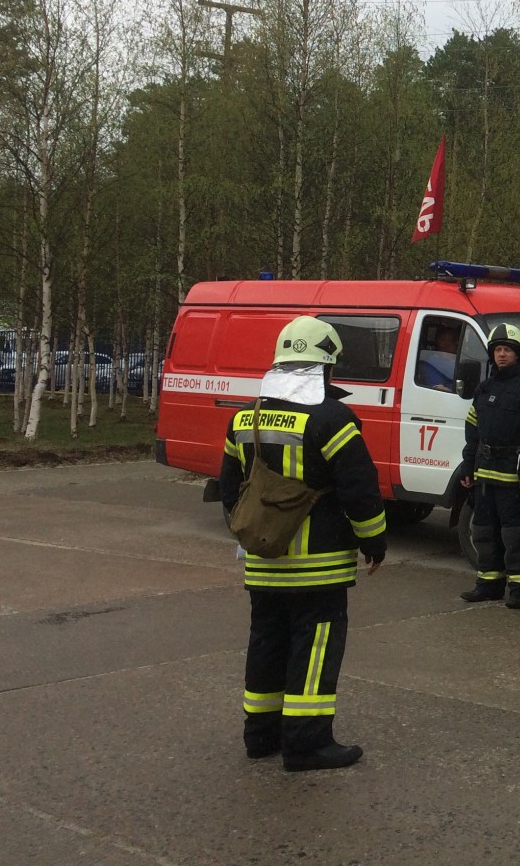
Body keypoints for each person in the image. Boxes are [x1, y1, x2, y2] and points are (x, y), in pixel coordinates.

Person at [219, 316, 387, 771]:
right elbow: (359, 489)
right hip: (320, 564)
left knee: (266, 643)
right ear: (326, 366)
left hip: (262, 558)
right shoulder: (333, 418)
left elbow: (230, 486)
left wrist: (253, 534)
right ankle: (306, 743)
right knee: (313, 649)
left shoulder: (244, 415)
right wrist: (375, 541)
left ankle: (260, 736)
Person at [458, 324, 520, 609]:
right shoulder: (485, 387)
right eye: (497, 350)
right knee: (483, 531)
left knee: (515, 534)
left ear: (518, 354)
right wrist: (467, 466)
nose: (501, 355)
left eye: (506, 350)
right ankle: (488, 583)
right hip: (484, 471)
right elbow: (472, 430)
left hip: (512, 472)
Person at [416, 322, 461, 390]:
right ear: (441, 342)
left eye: (458, 340)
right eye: (454, 340)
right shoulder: (432, 364)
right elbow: (439, 389)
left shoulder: (455, 359)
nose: (457, 343)